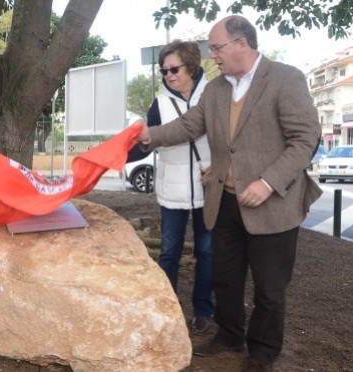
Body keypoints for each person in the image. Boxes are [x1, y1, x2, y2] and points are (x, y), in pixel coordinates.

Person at [137, 15, 322, 372]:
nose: (213, 56)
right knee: (225, 276)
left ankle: (263, 351)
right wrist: (150, 136)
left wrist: (267, 182)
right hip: (223, 201)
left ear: (242, 44)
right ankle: (229, 334)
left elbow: (305, 140)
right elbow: (191, 125)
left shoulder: (285, 78)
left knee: (269, 288)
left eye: (217, 48)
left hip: (273, 204)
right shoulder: (217, 89)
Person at [145, 40, 214, 334]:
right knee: (169, 252)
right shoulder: (159, 104)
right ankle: (168, 307)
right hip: (171, 190)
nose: (169, 75)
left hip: (207, 186)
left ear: (192, 66)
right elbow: (145, 143)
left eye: (174, 69)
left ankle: (202, 310)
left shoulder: (214, 95)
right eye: (164, 71)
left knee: (207, 252)